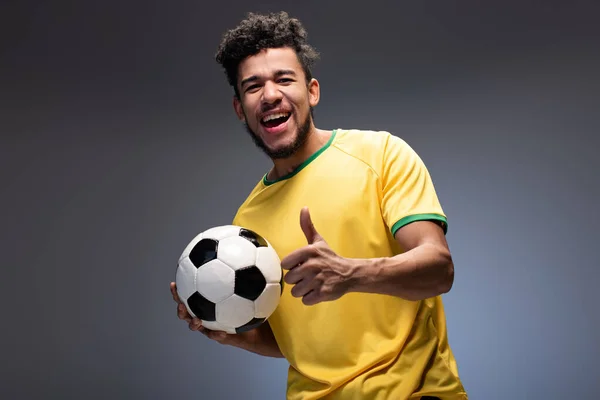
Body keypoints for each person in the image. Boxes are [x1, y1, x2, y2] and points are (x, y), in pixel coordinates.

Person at [169, 11, 468, 400]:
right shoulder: (246, 224)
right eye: (253, 86)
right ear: (241, 109)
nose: (270, 94)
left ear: (312, 91)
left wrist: (350, 274)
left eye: (284, 79)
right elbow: (298, 340)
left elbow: (438, 269)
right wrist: (230, 332)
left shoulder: (380, 154)